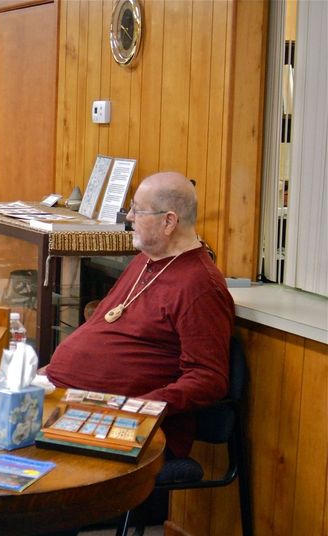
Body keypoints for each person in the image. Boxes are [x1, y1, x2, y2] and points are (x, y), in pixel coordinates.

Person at [44, 171, 234, 459]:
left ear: (169, 221)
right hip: (74, 402)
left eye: (138, 210)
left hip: (131, 425)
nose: (129, 217)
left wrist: (138, 407)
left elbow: (208, 379)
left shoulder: (200, 286)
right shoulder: (145, 260)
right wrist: (52, 371)